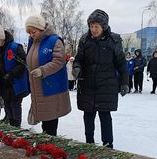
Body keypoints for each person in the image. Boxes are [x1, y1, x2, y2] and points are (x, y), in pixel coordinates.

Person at [73, 9, 129, 148]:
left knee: (105, 116)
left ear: (103, 26)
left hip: (106, 84)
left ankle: (108, 144)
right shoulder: (85, 40)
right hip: (87, 84)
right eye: (91, 26)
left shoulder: (113, 40)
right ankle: (89, 143)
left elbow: (121, 63)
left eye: (96, 26)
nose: (93, 29)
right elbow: (78, 59)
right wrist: (77, 68)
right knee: (88, 115)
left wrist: (124, 82)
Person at [25, 15, 71, 136]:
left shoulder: (54, 41)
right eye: (29, 33)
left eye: (33, 32)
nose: (31, 35)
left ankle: (51, 146)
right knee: (44, 118)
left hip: (50, 87)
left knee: (50, 120)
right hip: (37, 87)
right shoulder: (33, 42)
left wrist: (42, 70)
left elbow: (59, 61)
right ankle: (47, 144)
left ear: (40, 29)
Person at [0, 25, 29, 127]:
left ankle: (16, 127)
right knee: (7, 105)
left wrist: (11, 74)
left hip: (15, 83)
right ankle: (11, 126)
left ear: (2, 38)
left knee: (15, 105)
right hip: (3, 83)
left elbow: (22, 64)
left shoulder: (15, 47)